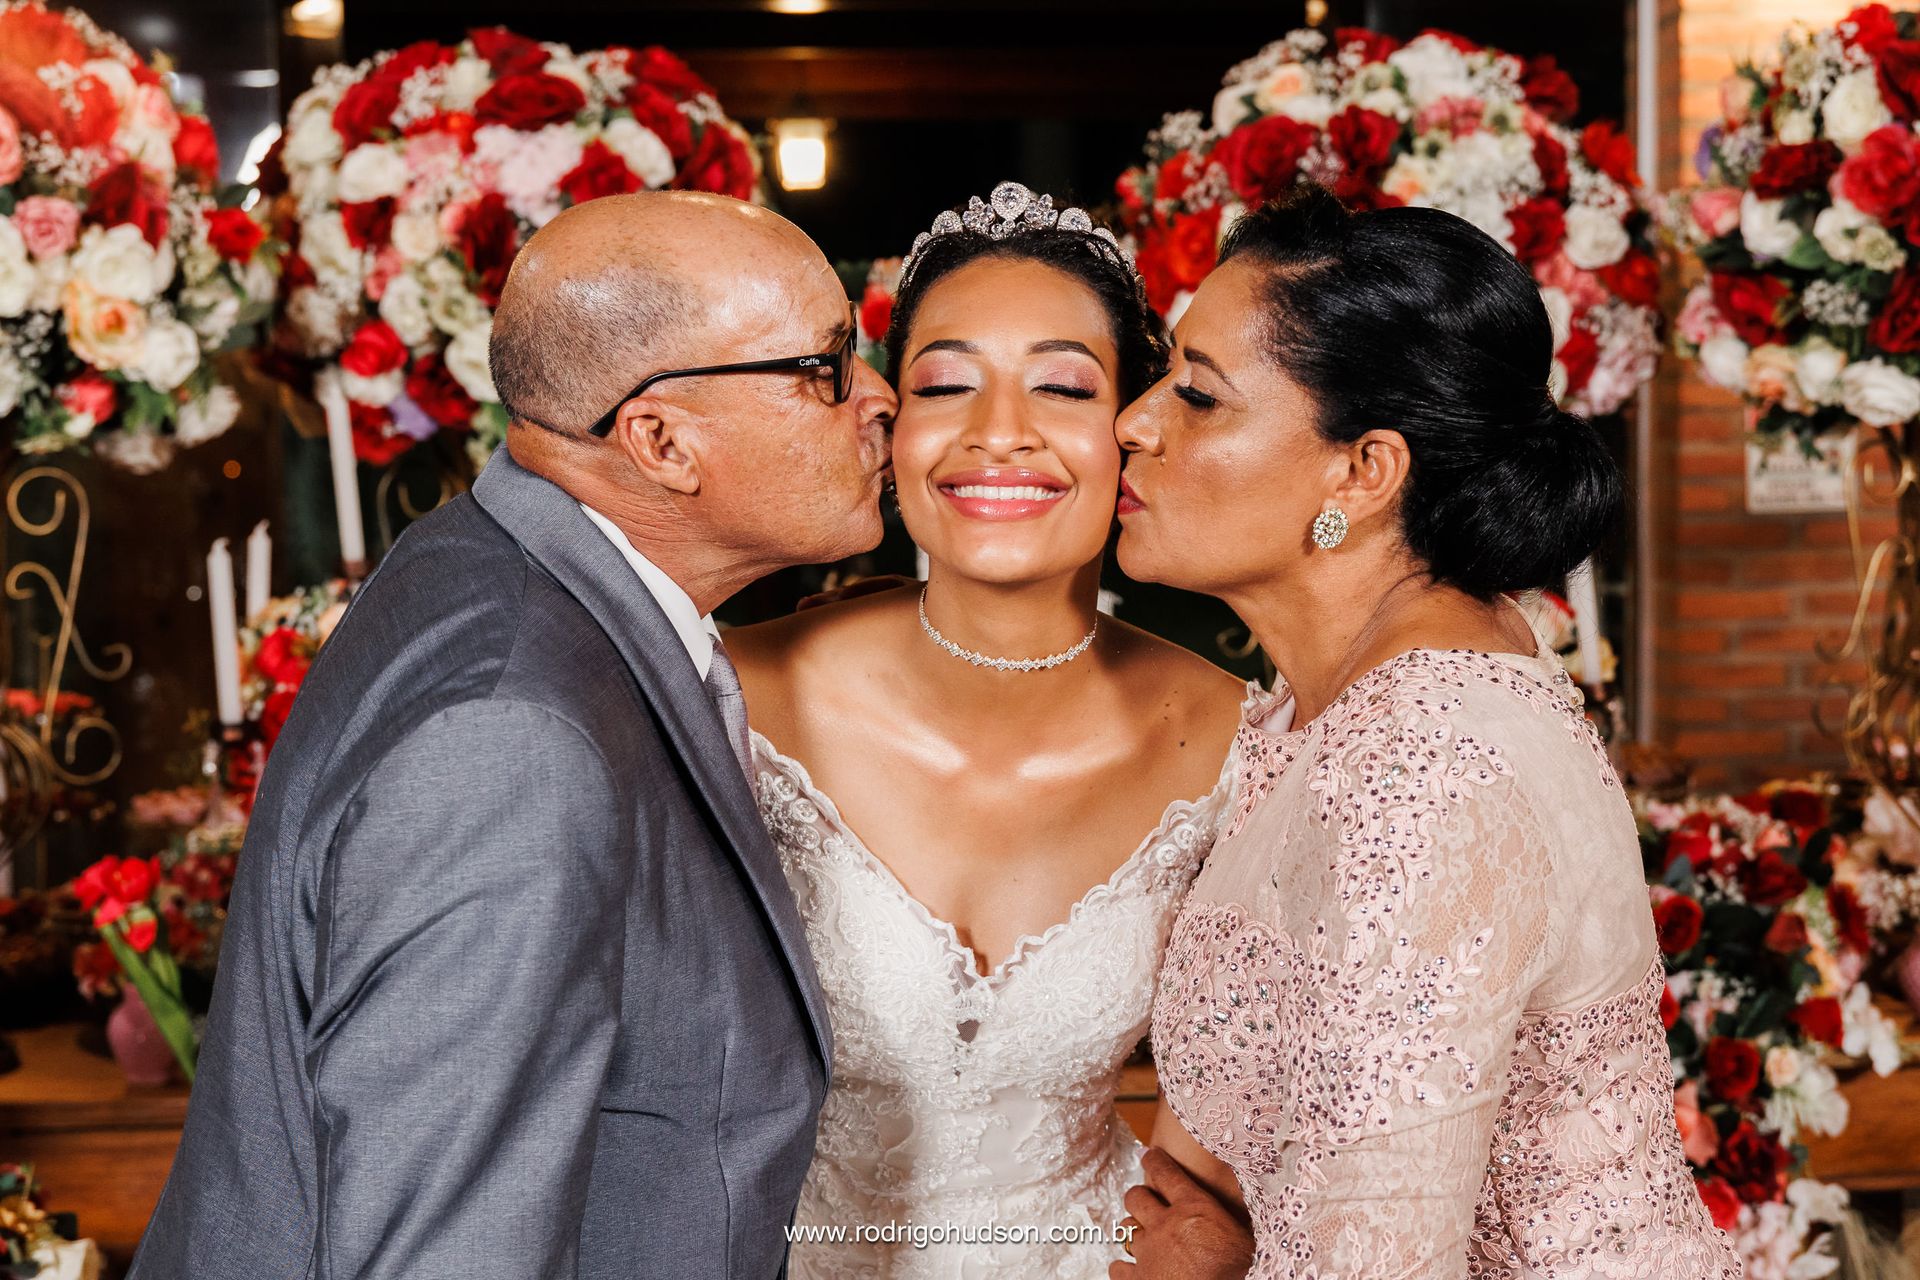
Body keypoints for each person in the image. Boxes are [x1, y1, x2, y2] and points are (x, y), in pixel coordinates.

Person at [131, 192, 896, 1279]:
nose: (878, 396)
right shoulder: (516, 741)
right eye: (826, 366)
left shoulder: (487, 561)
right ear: (662, 440)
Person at [1109, 188, 1743, 1278]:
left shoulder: (1422, 764)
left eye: (1199, 396)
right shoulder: (1346, 694)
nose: (1136, 420)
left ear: (1363, 472)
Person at [725, 182, 1249, 1278]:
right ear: (890, 423)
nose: (999, 432)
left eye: (1062, 386)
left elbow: (1228, 1112)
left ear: (1134, 426)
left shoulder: (1233, 737)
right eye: (946, 384)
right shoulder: (738, 693)